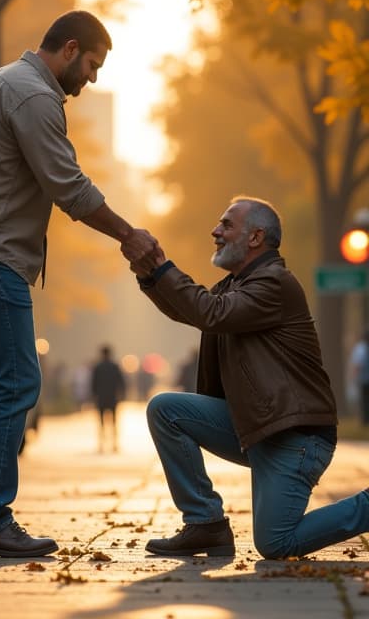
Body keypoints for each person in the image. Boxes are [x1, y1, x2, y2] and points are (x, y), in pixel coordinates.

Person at [0, 10, 158, 559]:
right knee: (15, 384)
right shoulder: (33, 96)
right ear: (70, 48)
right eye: (92, 65)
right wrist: (130, 235)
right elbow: (68, 186)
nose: (93, 79)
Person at [130, 196, 369, 559]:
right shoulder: (236, 286)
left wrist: (162, 268)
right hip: (260, 426)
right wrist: (150, 273)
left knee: (275, 543)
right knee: (166, 410)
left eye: (226, 224)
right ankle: (205, 524)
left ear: (256, 237)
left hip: (297, 437)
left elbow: (210, 313)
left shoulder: (274, 283)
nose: (215, 231)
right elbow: (193, 311)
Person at [91, 345, 126, 452]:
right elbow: (121, 382)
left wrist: (94, 396)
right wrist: (121, 395)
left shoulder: (98, 367)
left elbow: (93, 384)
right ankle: (114, 444)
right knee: (114, 422)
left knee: (101, 422)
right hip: (113, 398)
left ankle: (101, 444)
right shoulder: (115, 366)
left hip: (101, 398)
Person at [347, 328, 369, 424]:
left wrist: (353, 376)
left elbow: (357, 364)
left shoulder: (361, 348)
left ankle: (365, 421)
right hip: (365, 379)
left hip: (363, 379)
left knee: (364, 401)